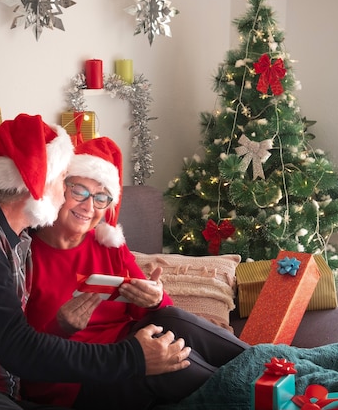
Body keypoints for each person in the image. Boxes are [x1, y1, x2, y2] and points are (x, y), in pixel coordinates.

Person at [0, 114, 191, 410]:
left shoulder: (14, 229)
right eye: (63, 181)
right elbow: (19, 347)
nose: (67, 194)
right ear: (36, 186)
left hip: (0, 381)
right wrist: (131, 357)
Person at [22, 136, 250, 410]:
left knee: (171, 317)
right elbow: (20, 353)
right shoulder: (25, 255)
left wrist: (154, 298)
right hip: (76, 378)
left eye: (101, 197)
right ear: (58, 190)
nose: (89, 206)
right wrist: (62, 327)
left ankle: (275, 367)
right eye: (79, 191)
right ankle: (262, 395)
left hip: (129, 345)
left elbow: (157, 309)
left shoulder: (106, 243)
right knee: (164, 364)